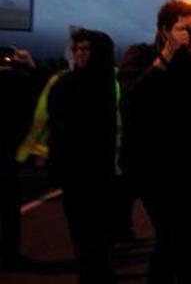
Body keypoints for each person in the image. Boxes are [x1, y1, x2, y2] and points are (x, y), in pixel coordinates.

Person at [118, 0, 191, 284]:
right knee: (171, 239)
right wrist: (166, 55)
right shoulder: (141, 55)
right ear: (164, 30)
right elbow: (133, 100)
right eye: (185, 28)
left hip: (189, 163)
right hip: (151, 165)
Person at [47, 29, 117, 283]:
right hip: (75, 173)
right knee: (82, 237)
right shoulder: (64, 84)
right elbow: (56, 127)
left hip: (104, 172)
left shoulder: (109, 84)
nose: (81, 54)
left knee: (101, 236)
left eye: (86, 49)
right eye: (77, 49)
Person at [0, 47, 41, 270]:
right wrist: (30, 63)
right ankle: (9, 254)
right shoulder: (17, 81)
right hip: (9, 153)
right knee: (8, 207)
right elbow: (40, 89)